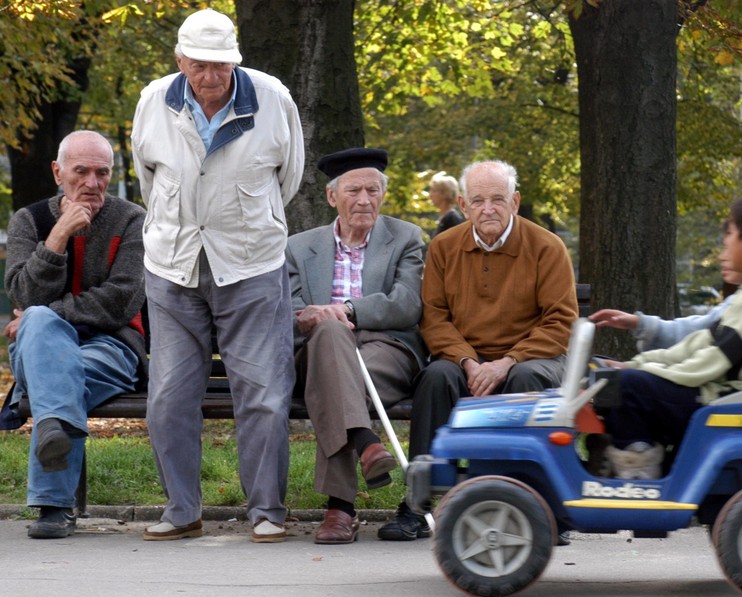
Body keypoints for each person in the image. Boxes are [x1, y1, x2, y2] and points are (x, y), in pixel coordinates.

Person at [131, 8, 304, 543]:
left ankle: (267, 512)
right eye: (199, 65)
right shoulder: (153, 101)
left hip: (251, 266)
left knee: (264, 394)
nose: (210, 76)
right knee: (167, 396)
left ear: (236, 61)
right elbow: (146, 178)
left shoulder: (273, 98)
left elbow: (289, 179)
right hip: (173, 268)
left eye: (221, 66)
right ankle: (182, 510)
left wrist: (249, 226)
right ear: (180, 60)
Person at [378, 159, 579, 541]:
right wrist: (469, 361)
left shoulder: (547, 248)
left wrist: (507, 361)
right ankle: (417, 507)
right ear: (464, 204)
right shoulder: (443, 247)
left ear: (515, 202)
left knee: (527, 377)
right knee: (436, 377)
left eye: (498, 199)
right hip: (464, 360)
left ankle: (537, 505)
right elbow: (434, 318)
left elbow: (560, 322)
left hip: (531, 360)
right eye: (479, 200)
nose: (488, 209)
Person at [2, 131, 146, 539]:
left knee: (53, 358)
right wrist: (58, 236)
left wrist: (42, 312)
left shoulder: (132, 220)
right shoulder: (30, 220)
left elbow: (122, 300)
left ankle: (52, 506)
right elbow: (23, 292)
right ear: (57, 172)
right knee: (45, 334)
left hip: (112, 348)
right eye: (81, 171)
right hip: (39, 346)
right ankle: (54, 500)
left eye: (102, 173)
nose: (92, 183)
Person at [598, 191, 742, 479]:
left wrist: (639, 373)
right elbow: (697, 344)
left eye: (727, 235)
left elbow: (709, 363)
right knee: (623, 379)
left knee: (627, 388)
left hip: (722, 401)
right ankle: (623, 457)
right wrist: (636, 364)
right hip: (719, 394)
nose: (722, 248)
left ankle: (637, 475)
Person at [286, 148, 427, 544]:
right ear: (332, 196)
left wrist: (346, 309)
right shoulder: (298, 247)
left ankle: (340, 510)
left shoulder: (406, 237)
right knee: (330, 336)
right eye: (353, 191)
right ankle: (366, 444)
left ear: (383, 194)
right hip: (317, 352)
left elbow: (407, 304)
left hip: (386, 350)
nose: (364, 200)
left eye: (372, 190)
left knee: (335, 378)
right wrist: (310, 318)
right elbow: (288, 310)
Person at [590, 269, 742, 352]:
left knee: (625, 384)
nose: (723, 256)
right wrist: (639, 323)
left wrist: (637, 366)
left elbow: (703, 351)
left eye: (730, 235)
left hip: (715, 395)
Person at [428, 172, 464, 237]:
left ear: (444, 193)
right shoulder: (444, 218)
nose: (430, 195)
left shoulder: (452, 220)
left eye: (433, 191)